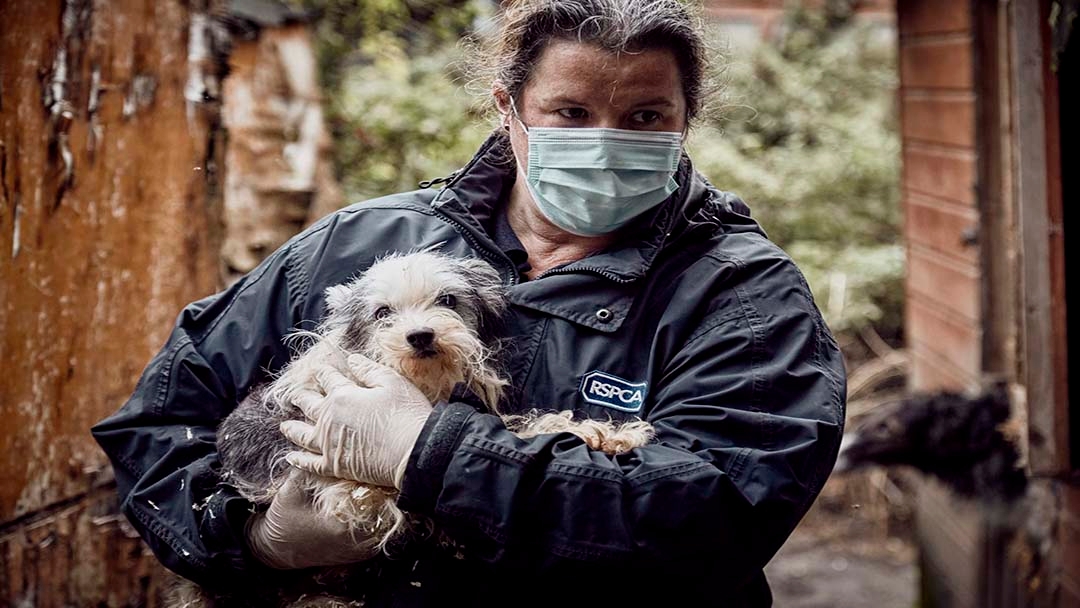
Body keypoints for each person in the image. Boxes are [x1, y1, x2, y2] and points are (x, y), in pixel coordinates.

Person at [92, 0, 846, 605]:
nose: (608, 141)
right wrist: (253, 540)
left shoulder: (744, 296)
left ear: (686, 120)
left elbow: (711, 522)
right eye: (572, 113)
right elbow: (161, 418)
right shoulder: (356, 245)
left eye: (646, 117)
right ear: (507, 108)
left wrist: (433, 454)